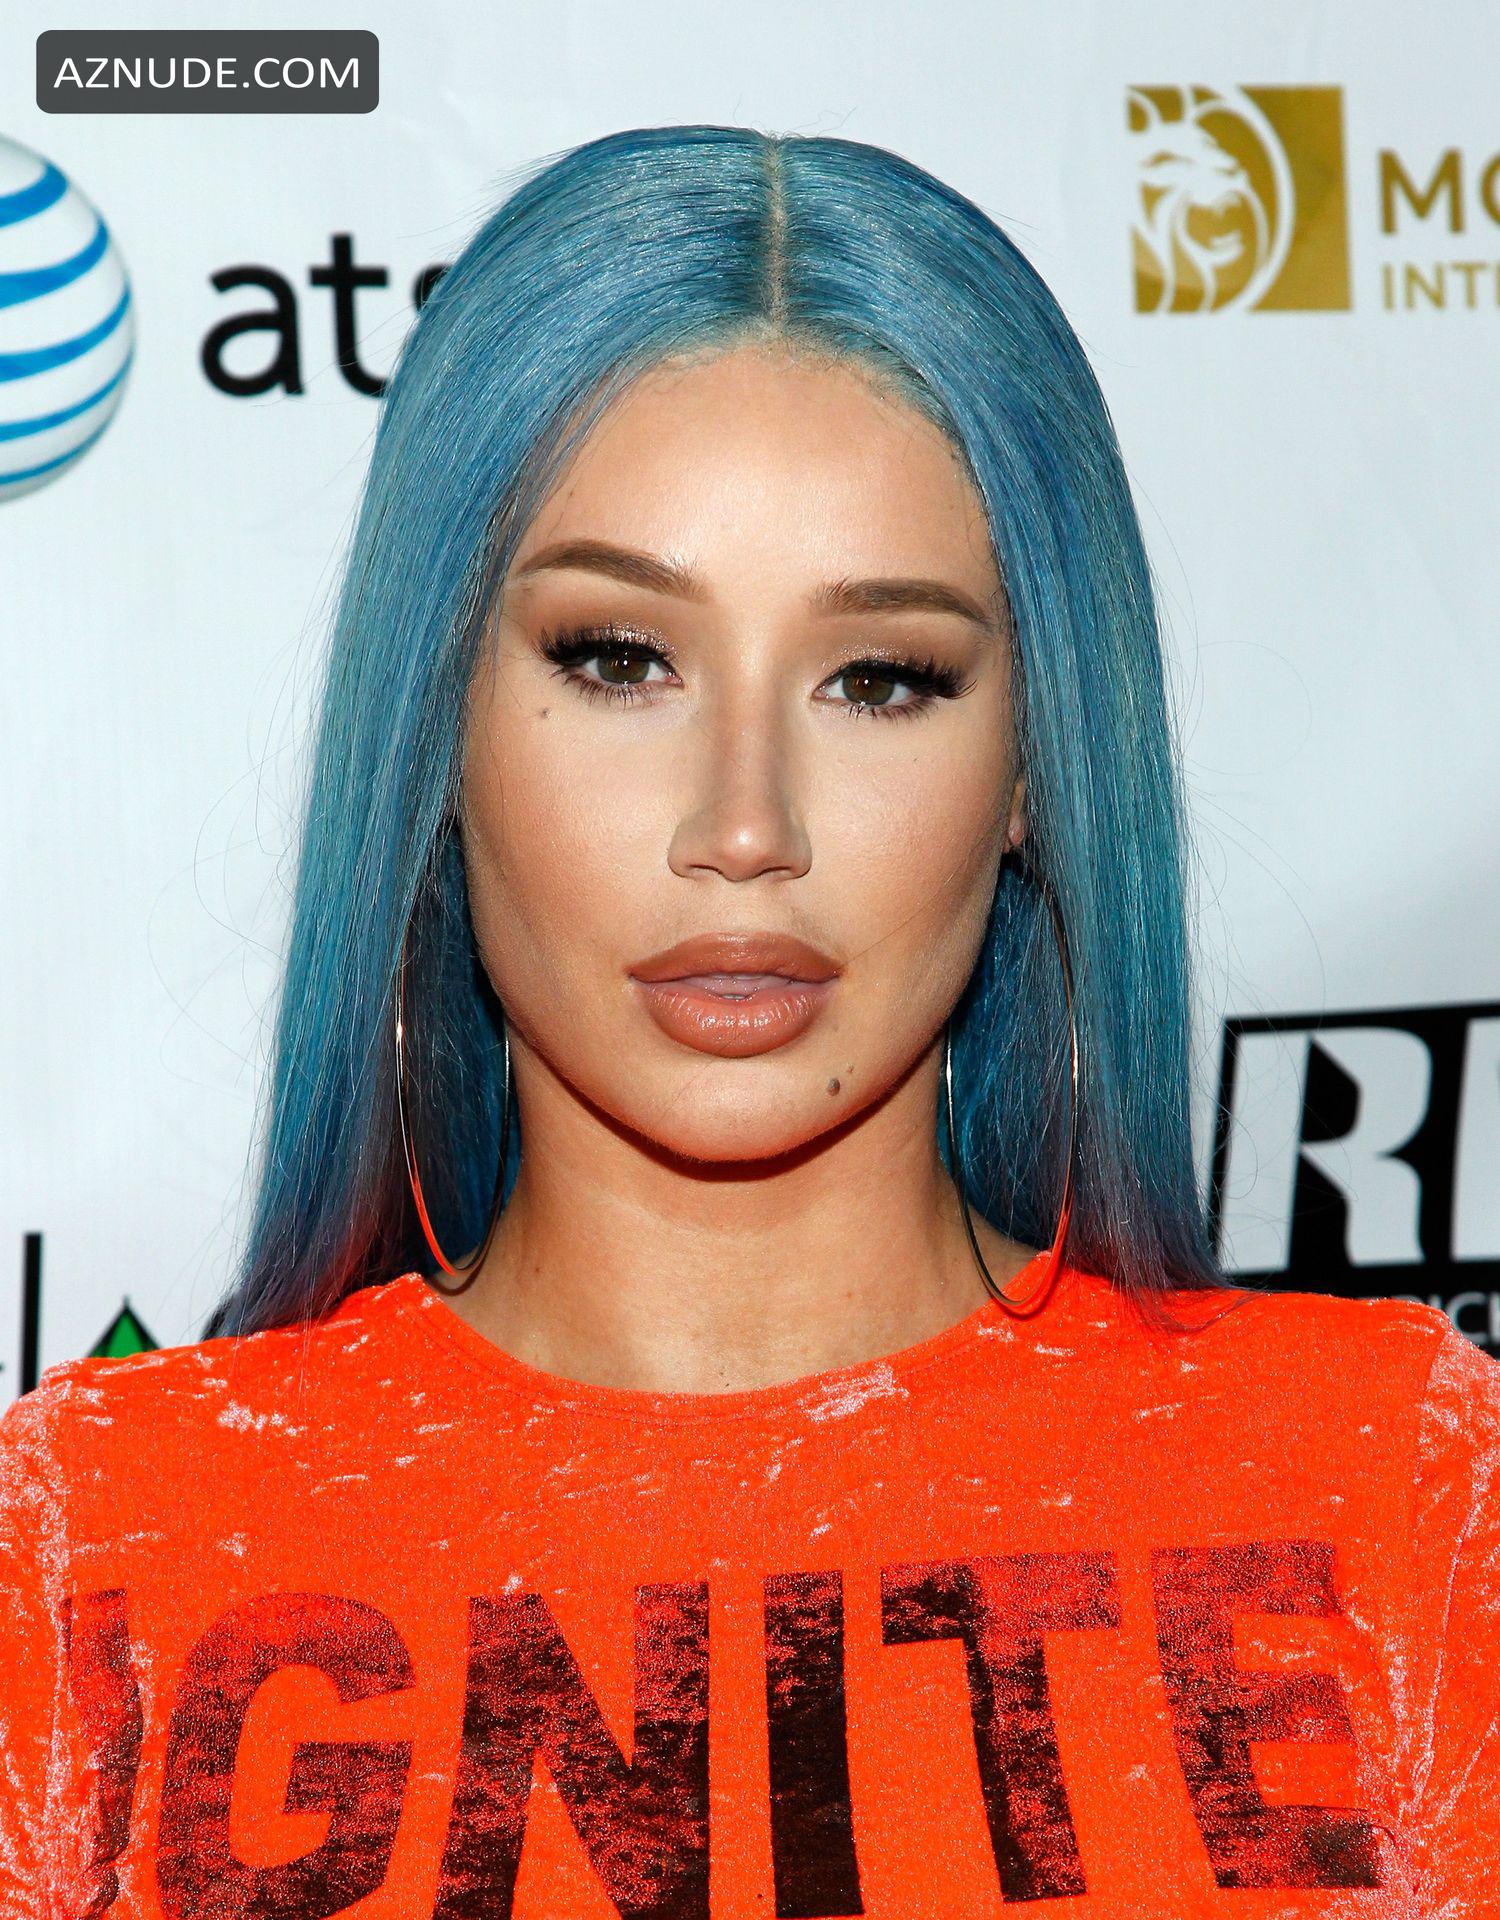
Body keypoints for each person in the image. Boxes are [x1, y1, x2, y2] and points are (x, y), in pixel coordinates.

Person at [1, 124, 1496, 1918]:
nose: (743, 826)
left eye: (882, 679)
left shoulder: (1403, 1497)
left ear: (1034, 763)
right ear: (436, 725)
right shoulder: (87, 1555)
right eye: (618, 659)